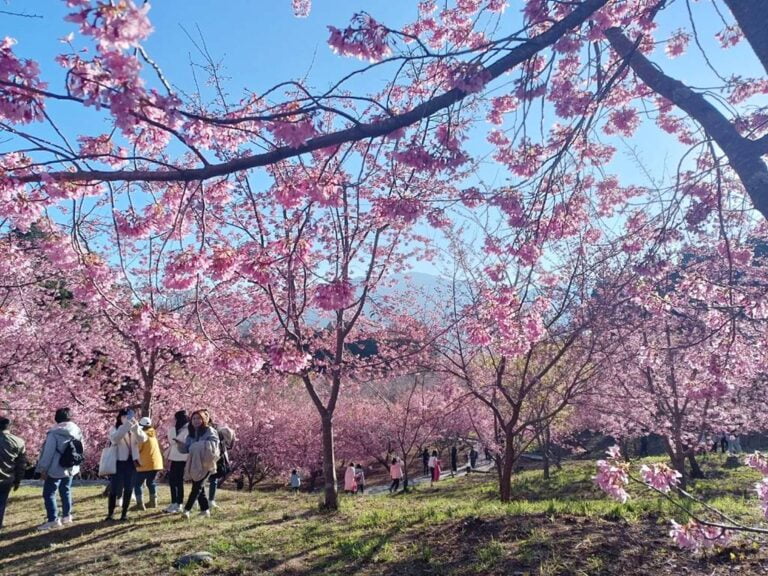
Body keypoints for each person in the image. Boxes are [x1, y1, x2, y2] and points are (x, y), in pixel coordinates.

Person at [36, 407, 84, 530]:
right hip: (70, 467)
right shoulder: (77, 430)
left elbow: (48, 453)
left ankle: (53, 520)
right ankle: (67, 516)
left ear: (57, 418)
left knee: (49, 493)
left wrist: (42, 469)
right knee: (66, 490)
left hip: (55, 468)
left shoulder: (54, 433)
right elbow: (81, 448)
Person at [177, 409, 219, 519]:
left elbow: (215, 444)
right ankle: (205, 510)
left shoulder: (209, 430)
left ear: (204, 419)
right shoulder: (190, 433)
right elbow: (187, 449)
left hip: (207, 463)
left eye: (199, 418)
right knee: (199, 487)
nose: (196, 421)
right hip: (195, 463)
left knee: (197, 487)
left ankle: (187, 510)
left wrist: (199, 445)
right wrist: (180, 445)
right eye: (194, 418)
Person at [106, 408, 140, 522]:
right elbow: (115, 439)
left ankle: (124, 513)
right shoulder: (115, 429)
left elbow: (143, 439)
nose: (127, 419)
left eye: (129, 416)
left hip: (131, 462)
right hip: (118, 462)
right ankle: (110, 514)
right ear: (120, 417)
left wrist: (135, 427)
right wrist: (125, 426)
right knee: (114, 488)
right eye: (124, 416)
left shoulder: (134, 428)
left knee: (129, 488)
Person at [0, 417, 26, 531]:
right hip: (7, 478)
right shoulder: (18, 441)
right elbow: (21, 464)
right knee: (1, 504)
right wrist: (18, 481)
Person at [133, 417, 164, 510]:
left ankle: (139, 504)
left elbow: (138, 449)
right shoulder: (153, 434)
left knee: (137, 484)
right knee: (151, 482)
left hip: (144, 464)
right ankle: (153, 502)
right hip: (156, 464)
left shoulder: (143, 436)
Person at [165, 410, 189, 513]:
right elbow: (172, 441)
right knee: (172, 481)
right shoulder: (178, 429)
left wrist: (172, 429)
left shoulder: (187, 429)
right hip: (175, 457)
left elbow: (173, 441)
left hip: (182, 458)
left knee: (178, 481)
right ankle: (174, 502)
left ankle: (178, 503)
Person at [208, 424, 235, 509]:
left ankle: (209, 500)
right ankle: (209, 500)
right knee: (211, 480)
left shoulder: (220, 433)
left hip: (216, 459)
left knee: (212, 479)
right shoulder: (217, 434)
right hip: (213, 458)